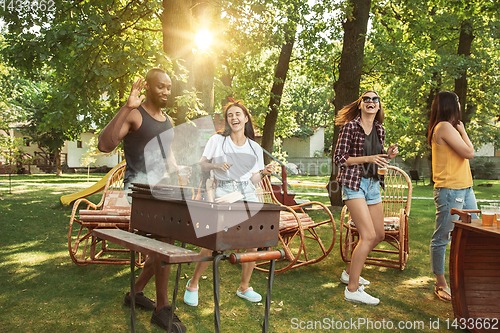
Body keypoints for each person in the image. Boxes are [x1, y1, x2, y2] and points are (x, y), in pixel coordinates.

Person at [98, 68, 187, 332]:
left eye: (169, 87)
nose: (166, 92)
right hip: (137, 191)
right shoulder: (135, 115)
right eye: (161, 87)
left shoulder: (167, 120)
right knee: (166, 238)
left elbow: (167, 155)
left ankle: (135, 293)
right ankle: (162, 309)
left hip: (162, 191)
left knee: (166, 239)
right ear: (147, 87)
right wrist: (126, 107)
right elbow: (105, 145)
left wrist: (177, 169)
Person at [183, 99, 275, 306]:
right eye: (230, 115)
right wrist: (217, 165)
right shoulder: (217, 141)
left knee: (253, 240)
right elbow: (202, 164)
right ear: (227, 120)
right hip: (224, 190)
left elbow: (253, 180)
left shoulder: (255, 148)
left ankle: (244, 287)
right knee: (215, 239)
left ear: (245, 118)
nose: (234, 118)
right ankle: (193, 283)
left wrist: (263, 172)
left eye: (238, 114)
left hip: (247, 192)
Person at [333, 91, 398, 305]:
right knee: (368, 235)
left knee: (379, 235)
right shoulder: (350, 127)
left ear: (379, 106)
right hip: (354, 184)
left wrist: (387, 154)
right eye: (366, 99)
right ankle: (352, 290)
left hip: (373, 186)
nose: (371, 102)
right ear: (360, 105)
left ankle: (349, 273)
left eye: (375, 99)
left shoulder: (380, 129)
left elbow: (377, 158)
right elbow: (340, 158)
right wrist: (369, 158)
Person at [427, 91, 477, 302]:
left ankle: (467, 277)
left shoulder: (447, 127)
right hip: (450, 190)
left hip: (465, 188)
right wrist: (464, 131)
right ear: (450, 105)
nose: (460, 105)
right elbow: (469, 153)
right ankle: (441, 283)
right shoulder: (444, 127)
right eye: (457, 102)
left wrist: (462, 131)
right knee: (442, 237)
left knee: (474, 233)